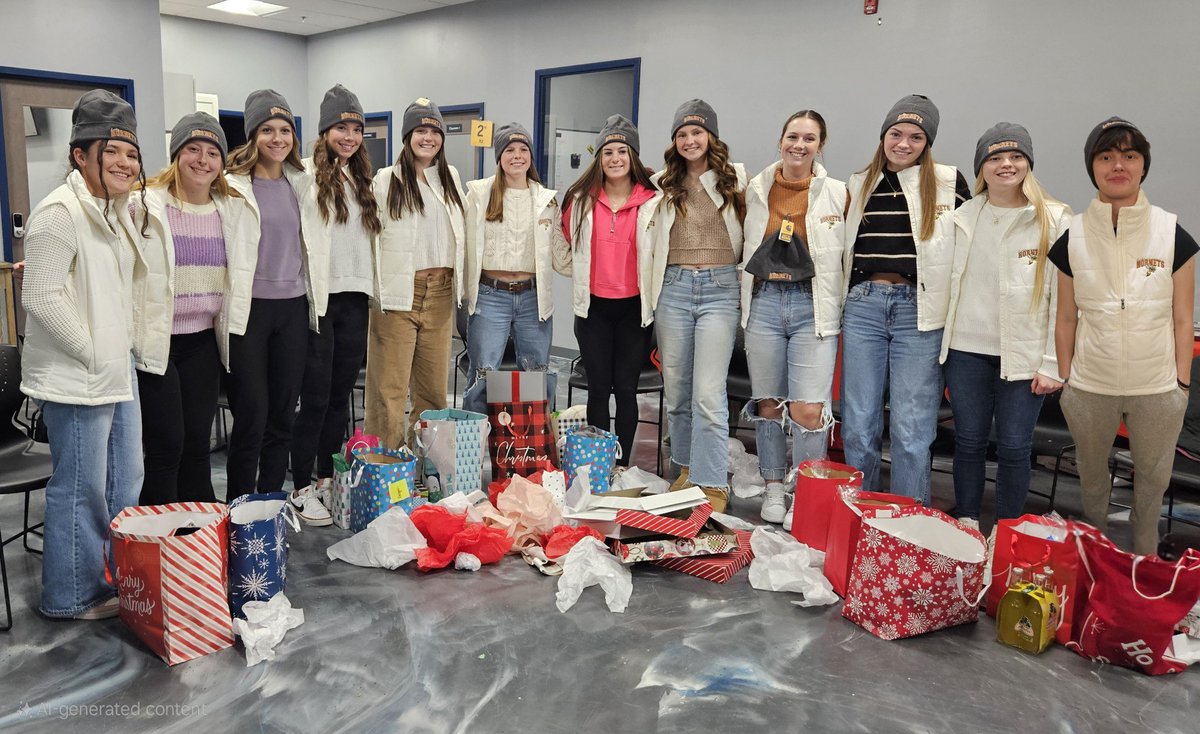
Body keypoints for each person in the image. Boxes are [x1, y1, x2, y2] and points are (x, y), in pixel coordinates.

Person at [20, 90, 147, 619]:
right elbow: (42, 294)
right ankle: (69, 595)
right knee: (80, 488)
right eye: (111, 152)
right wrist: (92, 351)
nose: (124, 163)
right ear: (80, 154)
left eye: (131, 154)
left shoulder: (114, 211)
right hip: (80, 377)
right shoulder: (59, 213)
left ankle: (113, 579)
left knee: (126, 480)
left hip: (116, 371)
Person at [1052, 117, 1197, 556]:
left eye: (1130, 156)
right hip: (1090, 386)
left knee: (1153, 482)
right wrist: (1067, 381)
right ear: (1093, 167)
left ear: (1142, 167)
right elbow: (1065, 318)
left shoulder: (1173, 233)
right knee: (1092, 478)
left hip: (1156, 387)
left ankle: (1145, 559)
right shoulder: (1072, 237)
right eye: (1107, 156)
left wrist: (1181, 385)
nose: (1119, 165)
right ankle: (1095, 555)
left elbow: (1182, 317)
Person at [940, 123, 1071, 529]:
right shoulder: (962, 216)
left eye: (1015, 157)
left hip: (1025, 357)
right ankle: (966, 522)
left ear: (1028, 163)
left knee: (1015, 447)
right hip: (965, 352)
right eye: (994, 158)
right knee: (969, 442)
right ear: (981, 167)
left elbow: (1063, 300)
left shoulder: (1055, 218)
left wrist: (1052, 362)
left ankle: (1009, 531)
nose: (1005, 165)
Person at [841, 94, 971, 502]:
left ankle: (908, 520)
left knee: (912, 427)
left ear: (927, 143)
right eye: (896, 134)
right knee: (859, 422)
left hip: (919, 310)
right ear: (883, 136)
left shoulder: (949, 182)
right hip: (863, 305)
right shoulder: (859, 182)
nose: (904, 143)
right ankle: (860, 513)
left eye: (916, 137)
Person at [133, 112, 254, 506]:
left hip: (203, 340)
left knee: (198, 445)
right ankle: (160, 538)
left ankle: (198, 538)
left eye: (212, 153)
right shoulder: (146, 204)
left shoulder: (231, 209)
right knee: (168, 444)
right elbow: (108, 251)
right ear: (176, 155)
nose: (203, 160)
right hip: (156, 343)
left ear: (222, 161)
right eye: (192, 149)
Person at [740, 110, 848, 527]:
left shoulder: (838, 193)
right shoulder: (755, 188)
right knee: (768, 403)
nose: (799, 145)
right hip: (765, 302)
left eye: (809, 138)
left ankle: (805, 492)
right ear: (780, 140)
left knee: (807, 409)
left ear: (821, 145)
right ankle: (772, 487)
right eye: (792, 136)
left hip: (813, 306)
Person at [225, 89, 328, 502]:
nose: (277, 138)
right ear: (252, 136)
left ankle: (268, 506)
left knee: (283, 415)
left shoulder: (302, 183)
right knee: (252, 416)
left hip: (293, 310)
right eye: (267, 129)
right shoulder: (230, 186)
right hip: (248, 311)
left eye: (285, 130)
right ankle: (237, 507)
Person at [288, 85, 381, 523]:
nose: (349, 135)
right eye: (341, 127)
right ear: (325, 130)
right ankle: (301, 483)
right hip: (320, 299)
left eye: (356, 128)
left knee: (342, 392)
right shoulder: (305, 176)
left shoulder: (362, 179)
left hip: (356, 297)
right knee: (317, 395)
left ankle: (327, 476)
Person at [648, 100, 745, 512]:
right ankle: (685, 468)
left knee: (708, 393)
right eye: (682, 134)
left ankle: (712, 480)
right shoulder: (661, 183)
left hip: (721, 288)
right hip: (673, 286)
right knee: (678, 392)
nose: (689, 140)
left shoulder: (735, 179)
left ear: (711, 137)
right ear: (674, 141)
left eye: (697, 133)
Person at [553, 115, 659, 476]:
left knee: (626, 390)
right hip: (593, 309)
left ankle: (624, 465)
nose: (615, 158)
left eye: (622, 151)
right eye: (608, 151)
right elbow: (562, 246)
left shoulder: (653, 201)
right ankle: (600, 463)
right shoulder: (581, 200)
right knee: (599, 389)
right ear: (598, 158)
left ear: (633, 156)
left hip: (634, 310)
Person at [365, 98, 465, 450]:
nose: (428, 137)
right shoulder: (385, 180)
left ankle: (430, 471)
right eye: (421, 130)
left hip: (440, 294)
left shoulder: (450, 179)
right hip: (397, 296)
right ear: (407, 136)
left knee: (434, 393)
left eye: (434, 131)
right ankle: (386, 468)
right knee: (389, 392)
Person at [462, 123, 559, 414]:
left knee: (535, 373)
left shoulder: (546, 199)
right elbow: (463, 244)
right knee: (484, 373)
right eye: (509, 150)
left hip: (533, 298)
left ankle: (531, 448)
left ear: (530, 155)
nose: (517, 156)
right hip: (491, 295)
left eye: (523, 149)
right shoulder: (479, 194)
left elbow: (559, 250)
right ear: (499, 156)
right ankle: (474, 449)